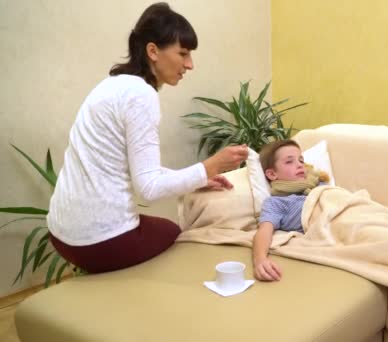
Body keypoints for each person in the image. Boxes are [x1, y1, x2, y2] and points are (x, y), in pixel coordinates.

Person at [47, 2, 248, 274]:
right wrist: (211, 165)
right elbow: (150, 188)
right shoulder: (142, 96)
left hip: (60, 234)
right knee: (175, 232)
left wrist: (198, 179)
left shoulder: (112, 84)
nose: (190, 64)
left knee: (157, 227)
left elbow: (137, 169)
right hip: (96, 241)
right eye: (183, 53)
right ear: (153, 51)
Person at [252, 139, 327, 281]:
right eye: (289, 162)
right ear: (272, 174)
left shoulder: (318, 185)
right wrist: (260, 260)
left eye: (301, 160)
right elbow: (264, 230)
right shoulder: (277, 202)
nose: (299, 165)